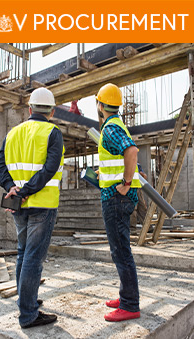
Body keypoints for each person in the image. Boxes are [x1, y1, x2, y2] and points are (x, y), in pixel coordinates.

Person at [0, 87, 64, 328]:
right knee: (33, 257)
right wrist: (24, 191)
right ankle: (28, 314)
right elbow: (49, 170)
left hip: (18, 205)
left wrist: (12, 188)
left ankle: (27, 300)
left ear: (30, 109)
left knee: (23, 253)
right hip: (41, 205)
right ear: (52, 111)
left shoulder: (13, 133)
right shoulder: (52, 133)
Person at [95, 83, 141, 322]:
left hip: (116, 198)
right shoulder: (117, 125)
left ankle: (131, 305)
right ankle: (126, 296)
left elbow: (131, 151)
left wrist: (125, 182)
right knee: (120, 250)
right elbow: (120, 156)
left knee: (121, 251)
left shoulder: (110, 128)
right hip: (117, 196)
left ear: (100, 105)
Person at [130, 163, 148, 233]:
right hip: (130, 188)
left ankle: (147, 227)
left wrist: (143, 175)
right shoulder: (124, 163)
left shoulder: (137, 165)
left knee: (142, 208)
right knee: (133, 209)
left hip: (138, 188)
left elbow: (144, 176)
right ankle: (132, 228)